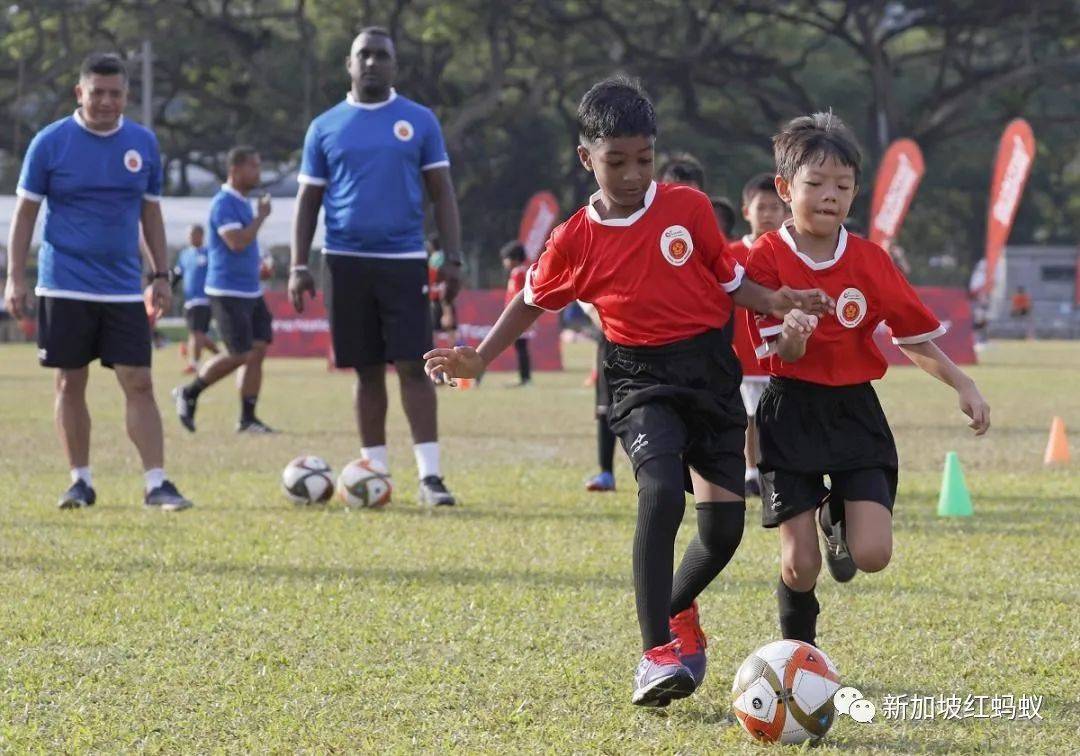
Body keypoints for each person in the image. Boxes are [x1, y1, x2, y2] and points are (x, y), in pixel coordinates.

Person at [424, 77, 832, 706]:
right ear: (586, 158)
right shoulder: (574, 239)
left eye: (644, 159)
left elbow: (730, 285)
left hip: (709, 373)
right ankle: (655, 654)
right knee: (661, 491)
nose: (634, 174)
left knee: (723, 534)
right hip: (639, 378)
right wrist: (479, 356)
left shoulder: (689, 209)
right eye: (616, 161)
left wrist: (775, 299)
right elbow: (530, 301)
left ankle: (676, 608)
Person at [745, 112, 990, 649]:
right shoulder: (764, 259)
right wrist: (795, 334)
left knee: (873, 555)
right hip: (790, 411)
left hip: (854, 412)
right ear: (785, 189)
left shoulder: (870, 261)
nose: (830, 195)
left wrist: (963, 384)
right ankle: (800, 659)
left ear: (855, 192)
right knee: (799, 565)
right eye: (816, 183)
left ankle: (833, 518)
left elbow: (912, 337)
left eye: (842, 185)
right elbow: (780, 354)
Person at [3, 53, 192, 511]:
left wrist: (160, 275)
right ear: (79, 93)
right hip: (64, 283)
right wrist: (14, 278)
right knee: (71, 382)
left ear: (127, 95)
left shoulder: (143, 144)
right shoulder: (50, 143)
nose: (106, 102)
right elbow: (25, 214)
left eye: (115, 93)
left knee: (139, 381)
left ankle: (156, 483)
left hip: (123, 287)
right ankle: (80, 482)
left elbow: (150, 214)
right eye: (97, 93)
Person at [289, 26, 463, 506]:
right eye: (363, 55)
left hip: (403, 260)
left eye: (381, 56)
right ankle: (374, 473)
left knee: (414, 365)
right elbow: (308, 201)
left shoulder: (419, 121)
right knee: (366, 371)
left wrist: (453, 256)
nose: (371, 63)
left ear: (394, 66)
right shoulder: (324, 126)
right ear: (349, 64)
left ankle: (430, 477)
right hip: (344, 261)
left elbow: (442, 192)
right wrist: (298, 264)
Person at [173, 146, 276, 434]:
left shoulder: (242, 202)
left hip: (250, 290)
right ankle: (189, 392)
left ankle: (247, 419)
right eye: (253, 166)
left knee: (257, 350)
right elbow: (237, 242)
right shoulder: (224, 203)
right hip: (226, 291)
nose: (258, 172)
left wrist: (259, 268)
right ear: (235, 170)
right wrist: (261, 217)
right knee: (240, 353)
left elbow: (244, 248)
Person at [726, 174, 788, 497]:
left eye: (774, 207)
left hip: (780, 351)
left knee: (777, 415)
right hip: (742, 351)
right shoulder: (731, 253)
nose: (768, 214)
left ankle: (777, 471)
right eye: (761, 207)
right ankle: (751, 471)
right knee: (748, 415)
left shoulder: (789, 252)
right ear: (746, 211)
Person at [174, 224, 219, 374]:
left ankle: (194, 364)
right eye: (189, 235)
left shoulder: (209, 252)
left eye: (193, 234)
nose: (190, 238)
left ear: (201, 235)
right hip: (189, 300)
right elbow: (177, 274)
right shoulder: (185, 254)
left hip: (203, 299)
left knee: (196, 333)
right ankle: (221, 356)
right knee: (198, 334)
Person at [500, 240, 531, 386]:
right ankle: (525, 378)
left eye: (506, 258)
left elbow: (519, 295)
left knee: (517, 346)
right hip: (518, 316)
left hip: (516, 316)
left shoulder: (518, 273)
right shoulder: (522, 271)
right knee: (520, 347)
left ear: (515, 258)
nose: (504, 262)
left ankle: (525, 378)